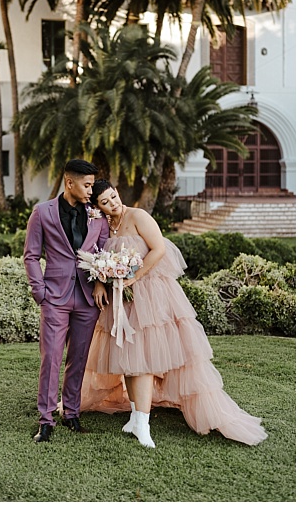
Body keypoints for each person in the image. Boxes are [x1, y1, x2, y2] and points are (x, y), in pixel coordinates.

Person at [80, 179, 267, 448]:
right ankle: (135, 416)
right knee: (128, 358)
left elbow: (159, 249)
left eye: (113, 196)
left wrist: (134, 276)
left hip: (151, 295)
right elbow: (97, 257)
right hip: (123, 299)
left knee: (142, 359)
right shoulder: (105, 226)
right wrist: (106, 276)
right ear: (97, 207)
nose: (113, 203)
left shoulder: (138, 216)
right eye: (105, 202)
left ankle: (143, 424)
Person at [23, 159, 110, 443]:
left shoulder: (97, 215)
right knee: (51, 359)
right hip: (55, 298)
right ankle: (46, 420)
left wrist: (100, 283)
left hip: (87, 299)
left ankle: (71, 413)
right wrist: (40, 292)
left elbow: (103, 253)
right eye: (86, 185)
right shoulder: (42, 212)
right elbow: (31, 255)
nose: (91, 190)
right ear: (69, 183)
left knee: (78, 358)